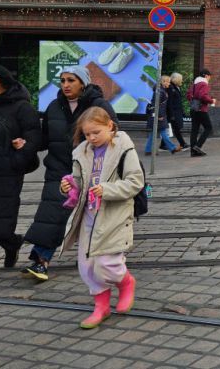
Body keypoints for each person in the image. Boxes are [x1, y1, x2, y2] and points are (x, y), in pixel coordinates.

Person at [24, 65, 117, 282]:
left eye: (71, 80)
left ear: (82, 83)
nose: (65, 85)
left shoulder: (99, 106)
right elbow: (45, 138)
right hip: (58, 169)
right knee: (51, 214)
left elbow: (115, 135)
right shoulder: (54, 107)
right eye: (63, 80)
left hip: (92, 171)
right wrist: (26, 143)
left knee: (96, 217)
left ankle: (105, 261)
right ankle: (41, 260)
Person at [60, 107, 143, 329]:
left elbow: (135, 182)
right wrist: (69, 185)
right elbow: (79, 180)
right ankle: (101, 307)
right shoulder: (82, 152)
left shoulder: (124, 148)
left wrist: (107, 190)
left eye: (96, 132)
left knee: (108, 262)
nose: (91, 138)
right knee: (87, 265)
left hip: (114, 214)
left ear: (110, 126)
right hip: (88, 214)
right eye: (87, 134)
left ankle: (125, 282)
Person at [0, 65, 42, 289]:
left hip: (5, 175)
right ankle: (12, 242)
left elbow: (34, 139)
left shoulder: (21, 108)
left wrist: (18, 157)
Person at [144, 76, 179, 155]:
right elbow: (156, 104)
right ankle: (172, 148)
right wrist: (159, 115)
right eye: (168, 82)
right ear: (163, 82)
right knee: (163, 133)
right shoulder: (160, 91)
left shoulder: (160, 90)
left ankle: (148, 150)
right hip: (159, 116)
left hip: (158, 115)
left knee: (153, 134)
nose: (169, 84)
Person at [188, 69, 215, 157]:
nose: (209, 79)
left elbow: (188, 95)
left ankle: (193, 151)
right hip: (201, 110)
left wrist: (193, 101)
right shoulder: (204, 84)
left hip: (193, 109)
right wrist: (211, 101)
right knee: (208, 127)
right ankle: (198, 146)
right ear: (206, 76)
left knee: (194, 130)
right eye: (209, 77)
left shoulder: (194, 84)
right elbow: (203, 96)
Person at [167, 73, 188, 150]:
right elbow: (170, 102)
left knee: (175, 128)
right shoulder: (171, 88)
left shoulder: (175, 87)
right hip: (174, 112)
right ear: (177, 79)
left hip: (177, 112)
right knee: (176, 128)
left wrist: (182, 111)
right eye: (181, 79)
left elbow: (178, 101)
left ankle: (163, 145)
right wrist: (171, 114)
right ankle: (183, 144)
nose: (182, 80)